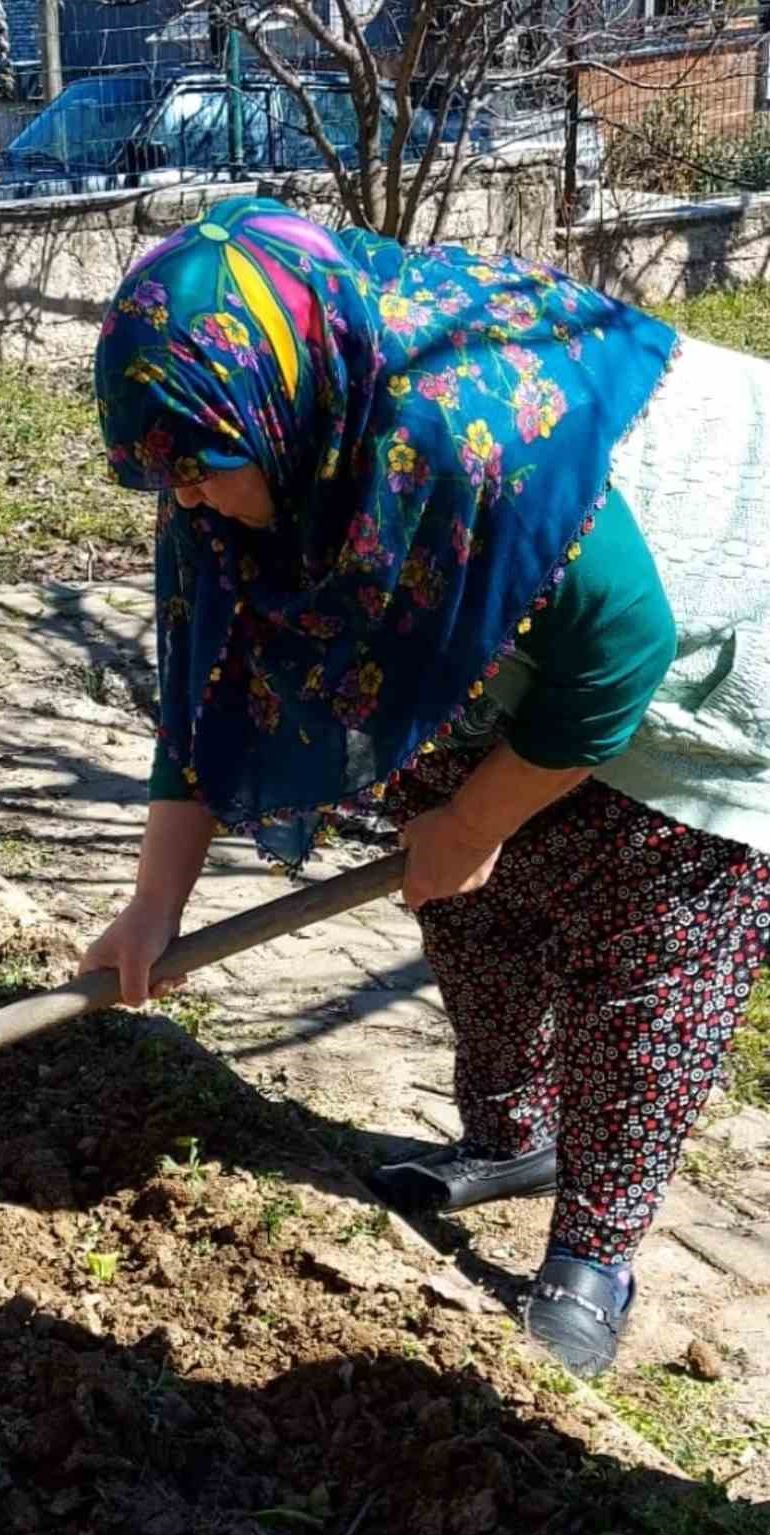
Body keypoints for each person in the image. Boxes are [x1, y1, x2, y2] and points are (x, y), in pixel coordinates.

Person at [79, 195, 770, 1378]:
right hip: (539, 618)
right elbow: (206, 681)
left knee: (645, 954)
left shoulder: (466, 427)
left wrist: (477, 817)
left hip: (714, 604)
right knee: (466, 905)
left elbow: (623, 647)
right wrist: (154, 903)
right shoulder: (233, 432)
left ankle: (594, 1250)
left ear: (279, 410)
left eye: (198, 470)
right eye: (160, 474)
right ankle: (511, 1138)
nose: (181, 497)